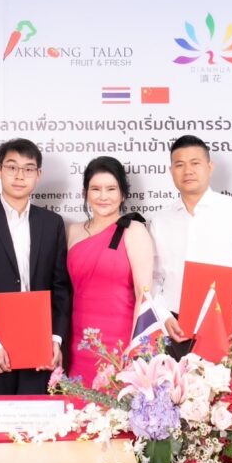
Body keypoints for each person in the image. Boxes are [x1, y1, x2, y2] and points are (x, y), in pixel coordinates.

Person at [0, 138, 71, 394]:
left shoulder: (52, 223)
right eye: (11, 167)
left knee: (36, 417)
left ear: (38, 175)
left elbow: (61, 287)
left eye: (28, 169)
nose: (20, 176)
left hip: (40, 345)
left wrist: (55, 339)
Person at [150, 135, 232, 359]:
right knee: (171, 383)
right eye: (179, 165)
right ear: (171, 171)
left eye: (195, 163)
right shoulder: (160, 220)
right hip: (175, 330)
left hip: (223, 328)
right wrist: (164, 317)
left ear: (210, 167)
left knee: (224, 383)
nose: (188, 171)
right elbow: (153, 278)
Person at [67, 157, 153, 384]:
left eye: (111, 189)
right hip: (78, 343)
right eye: (96, 189)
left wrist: (134, 350)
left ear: (123, 194)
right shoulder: (72, 231)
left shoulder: (134, 231)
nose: (103, 196)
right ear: (85, 193)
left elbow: (144, 296)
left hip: (120, 345)